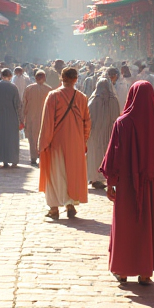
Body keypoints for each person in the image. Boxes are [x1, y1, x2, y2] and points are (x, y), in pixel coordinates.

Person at [101, 81, 154, 285]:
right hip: (153, 185)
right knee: (149, 225)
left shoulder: (122, 123)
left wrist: (111, 183)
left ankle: (122, 271)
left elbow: (114, 157)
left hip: (128, 185)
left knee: (127, 226)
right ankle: (145, 272)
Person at [38, 67, 91, 220]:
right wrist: (83, 140)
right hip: (75, 142)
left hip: (57, 142)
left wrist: (43, 142)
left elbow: (47, 122)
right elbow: (87, 122)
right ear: (76, 79)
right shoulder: (82, 97)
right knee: (71, 174)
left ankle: (54, 208)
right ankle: (70, 204)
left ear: (62, 78)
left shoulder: (53, 96)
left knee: (55, 173)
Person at [86, 78, 120, 190]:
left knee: (94, 154)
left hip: (95, 133)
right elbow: (116, 118)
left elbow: (88, 117)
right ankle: (104, 177)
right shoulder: (114, 100)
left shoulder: (94, 100)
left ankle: (95, 178)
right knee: (106, 153)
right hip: (109, 132)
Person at [0, 69, 23, 168]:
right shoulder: (13, 87)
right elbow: (18, 104)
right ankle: (9, 160)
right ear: (10, 76)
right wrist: (21, 118)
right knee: (10, 138)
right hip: (11, 115)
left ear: (1, 75)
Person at [22, 70, 51, 167]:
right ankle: (42, 156)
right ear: (44, 78)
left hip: (31, 117)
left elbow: (24, 104)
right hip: (45, 118)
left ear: (35, 78)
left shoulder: (29, 88)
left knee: (32, 138)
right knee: (43, 137)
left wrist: (23, 117)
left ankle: (33, 158)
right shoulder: (49, 90)